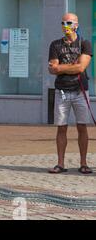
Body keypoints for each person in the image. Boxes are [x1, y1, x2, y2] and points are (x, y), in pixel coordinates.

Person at [48, 13, 93, 174]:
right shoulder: (55, 45)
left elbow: (81, 67)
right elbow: (52, 68)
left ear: (76, 25)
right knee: (61, 128)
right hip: (62, 91)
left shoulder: (84, 44)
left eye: (69, 22)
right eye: (63, 22)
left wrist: (61, 68)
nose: (65, 25)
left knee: (82, 126)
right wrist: (69, 67)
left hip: (80, 90)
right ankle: (60, 163)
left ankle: (83, 163)